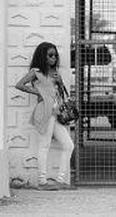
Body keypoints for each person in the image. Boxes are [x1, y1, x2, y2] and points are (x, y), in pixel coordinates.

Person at [15, 42, 75, 190]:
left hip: (56, 112)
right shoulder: (36, 72)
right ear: (43, 56)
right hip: (44, 112)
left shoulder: (55, 72)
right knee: (44, 146)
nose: (53, 58)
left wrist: (59, 82)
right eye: (50, 55)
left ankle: (61, 180)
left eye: (55, 55)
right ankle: (42, 182)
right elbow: (19, 85)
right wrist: (38, 92)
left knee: (68, 145)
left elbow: (58, 93)